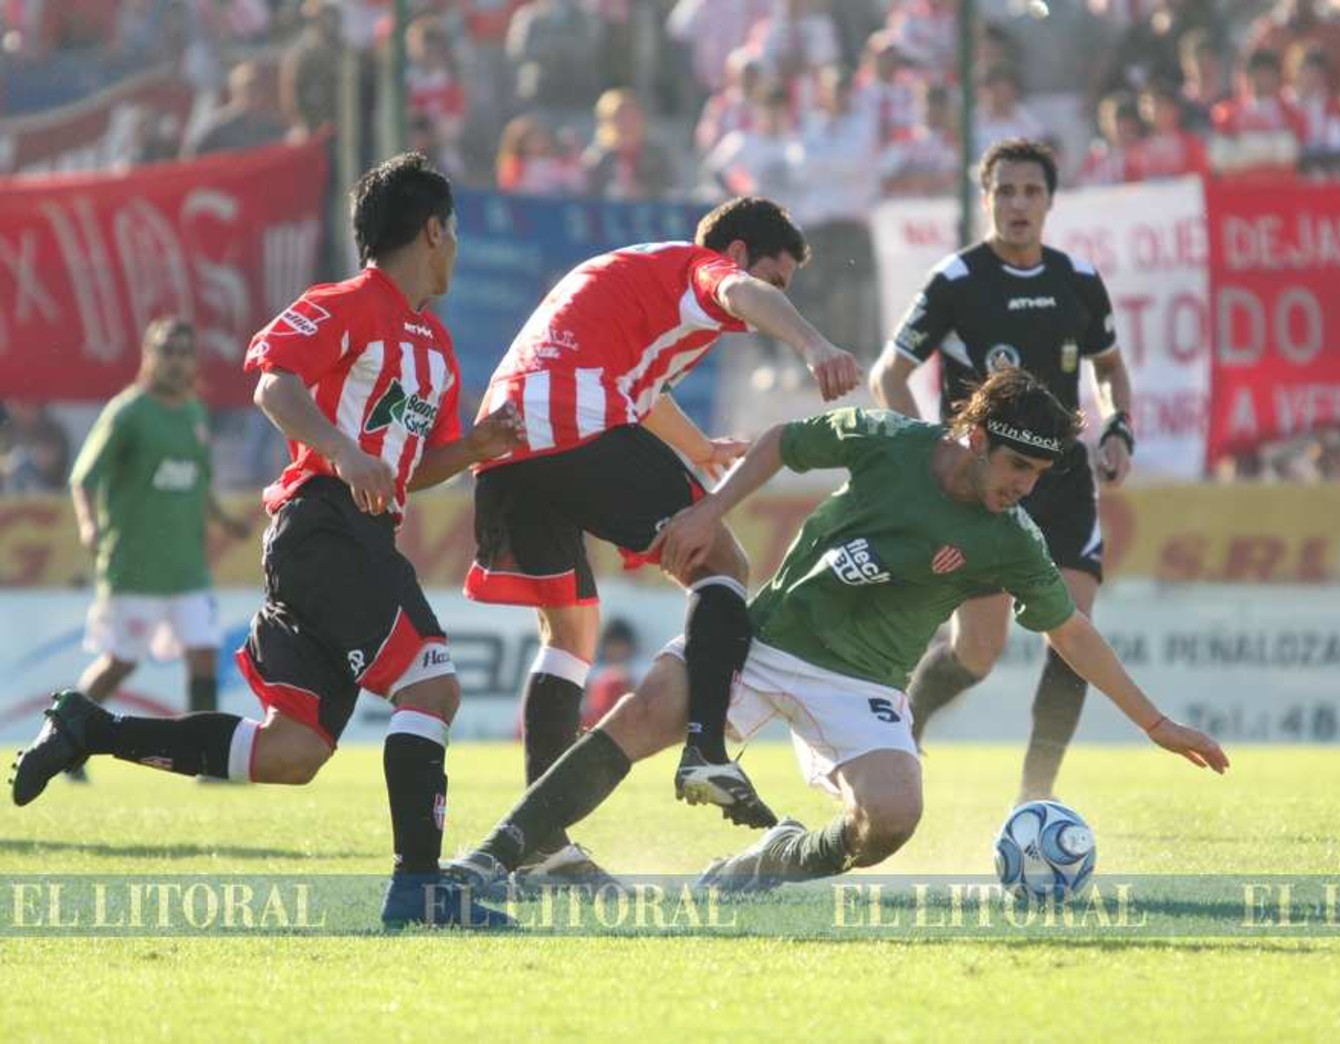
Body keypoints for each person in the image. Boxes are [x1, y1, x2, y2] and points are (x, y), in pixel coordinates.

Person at [446, 369, 1226, 891]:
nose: (1021, 491)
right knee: (643, 711)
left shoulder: (1010, 538)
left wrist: (1154, 722)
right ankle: (494, 857)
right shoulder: (891, 444)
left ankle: (776, 860)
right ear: (977, 438)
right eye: (1016, 470)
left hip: (862, 685)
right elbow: (784, 440)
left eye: (1034, 478)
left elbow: (1073, 633)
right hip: (766, 640)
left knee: (892, 819)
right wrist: (712, 508)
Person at [10, 153, 522, 929]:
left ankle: (91, 727)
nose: (454, 246)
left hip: (347, 534)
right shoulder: (349, 303)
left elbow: (405, 474)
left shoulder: (436, 350)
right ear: (430, 231)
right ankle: (419, 890)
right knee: (434, 688)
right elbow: (273, 382)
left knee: (293, 754)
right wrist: (343, 453)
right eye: (450, 231)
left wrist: (477, 448)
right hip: (325, 528)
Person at [462, 196, 860, 873]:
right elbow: (735, 290)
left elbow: (641, 391)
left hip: (506, 439)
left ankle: (542, 849)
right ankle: (704, 747)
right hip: (572, 415)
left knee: (569, 636)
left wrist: (699, 448)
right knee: (720, 559)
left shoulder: (642, 280)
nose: (772, 298)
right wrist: (813, 343)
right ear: (736, 253)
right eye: (776, 279)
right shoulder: (703, 271)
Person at [868, 138, 1135, 806]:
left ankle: (1034, 796)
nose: (1017, 204)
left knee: (1073, 633)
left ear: (1049, 200)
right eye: (1004, 191)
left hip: (1064, 482)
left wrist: (1118, 425)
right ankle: (910, 718)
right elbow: (887, 375)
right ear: (986, 198)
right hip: (982, 489)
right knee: (977, 654)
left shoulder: (1076, 280)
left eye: (1031, 191)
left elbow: (1109, 367)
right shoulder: (956, 282)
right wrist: (930, 453)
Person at [57, 317, 250, 787]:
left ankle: (207, 762)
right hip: (136, 567)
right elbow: (84, 476)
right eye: (167, 350)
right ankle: (62, 738)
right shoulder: (128, 413)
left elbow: (199, 483)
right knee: (121, 661)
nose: (176, 359)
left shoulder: (194, 415)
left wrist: (224, 520)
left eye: (185, 351)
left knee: (204, 653)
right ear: (149, 354)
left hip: (187, 568)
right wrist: (88, 524)